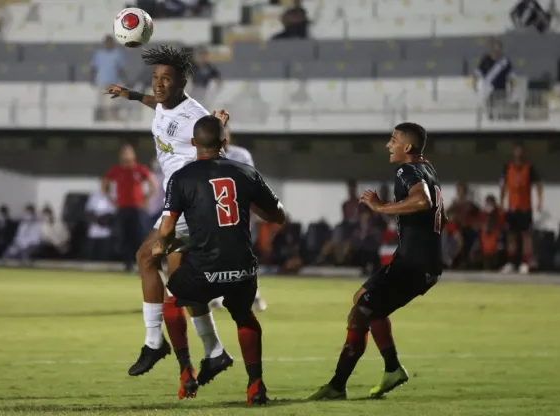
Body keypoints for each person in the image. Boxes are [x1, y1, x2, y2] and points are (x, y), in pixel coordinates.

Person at [104, 46, 233, 385]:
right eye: (155, 79)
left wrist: (220, 127)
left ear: (182, 82)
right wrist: (130, 95)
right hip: (179, 201)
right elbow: (158, 106)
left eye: (166, 80)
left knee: (145, 257)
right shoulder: (162, 103)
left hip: (191, 204)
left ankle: (153, 341)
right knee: (182, 287)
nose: (159, 86)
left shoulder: (195, 116)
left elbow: (217, 142)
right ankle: (215, 351)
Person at [153, 115, 286, 404]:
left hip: (204, 269)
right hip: (242, 267)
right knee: (244, 316)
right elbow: (279, 216)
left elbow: (165, 230)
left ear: (193, 143)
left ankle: (186, 369)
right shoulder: (246, 171)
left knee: (173, 299)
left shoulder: (181, 177)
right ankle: (256, 385)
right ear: (224, 143)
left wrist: (163, 246)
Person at [308, 122, 443, 400]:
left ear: (407, 147)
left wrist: (380, 207)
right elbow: (437, 210)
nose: (388, 144)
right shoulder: (428, 168)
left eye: (393, 140)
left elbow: (423, 202)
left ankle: (337, 385)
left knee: (361, 313)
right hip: (418, 261)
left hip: (413, 265)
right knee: (363, 299)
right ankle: (391, 368)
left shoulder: (406, 170)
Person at [211, 129, 268, 311]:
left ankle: (255, 294)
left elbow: (251, 179)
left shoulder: (241, 155)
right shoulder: (207, 156)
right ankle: (221, 295)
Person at [102, 144, 156, 270]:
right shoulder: (116, 170)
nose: (127, 156)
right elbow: (104, 185)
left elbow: (153, 184)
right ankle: (128, 263)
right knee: (124, 236)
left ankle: (142, 262)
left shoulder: (140, 169)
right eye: (124, 154)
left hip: (137, 208)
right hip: (123, 208)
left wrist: (146, 198)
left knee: (139, 235)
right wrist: (112, 200)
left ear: (133, 155)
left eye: (129, 153)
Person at [500, 145, 543, 274]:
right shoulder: (508, 169)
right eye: (516, 156)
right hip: (512, 208)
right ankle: (511, 262)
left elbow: (539, 185)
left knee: (526, 236)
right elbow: (503, 186)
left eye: (520, 156)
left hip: (525, 208)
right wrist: (501, 202)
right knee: (511, 236)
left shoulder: (529, 168)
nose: (518, 159)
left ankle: (525, 262)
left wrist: (539, 202)